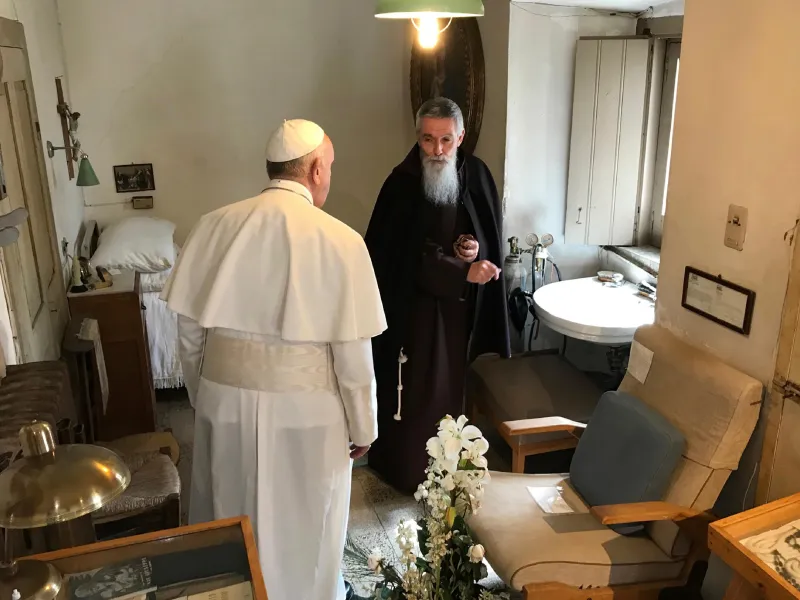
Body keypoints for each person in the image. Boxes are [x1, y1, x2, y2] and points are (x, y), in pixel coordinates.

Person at [161, 119, 386, 600]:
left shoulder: (213, 225)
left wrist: (205, 397)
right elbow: (353, 356)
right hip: (308, 414)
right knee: (306, 524)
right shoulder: (342, 240)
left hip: (224, 404)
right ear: (316, 169)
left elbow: (188, 332)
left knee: (229, 513)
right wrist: (363, 426)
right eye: (330, 167)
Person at [365, 97, 510, 494]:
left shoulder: (477, 174)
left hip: (458, 312)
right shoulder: (402, 183)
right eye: (428, 139)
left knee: (451, 392)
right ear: (418, 137)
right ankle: (409, 473)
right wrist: (462, 270)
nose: (437, 150)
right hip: (414, 312)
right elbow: (399, 255)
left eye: (446, 139)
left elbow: (484, 232)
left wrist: (472, 248)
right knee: (413, 395)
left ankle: (448, 473)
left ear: (460, 137)